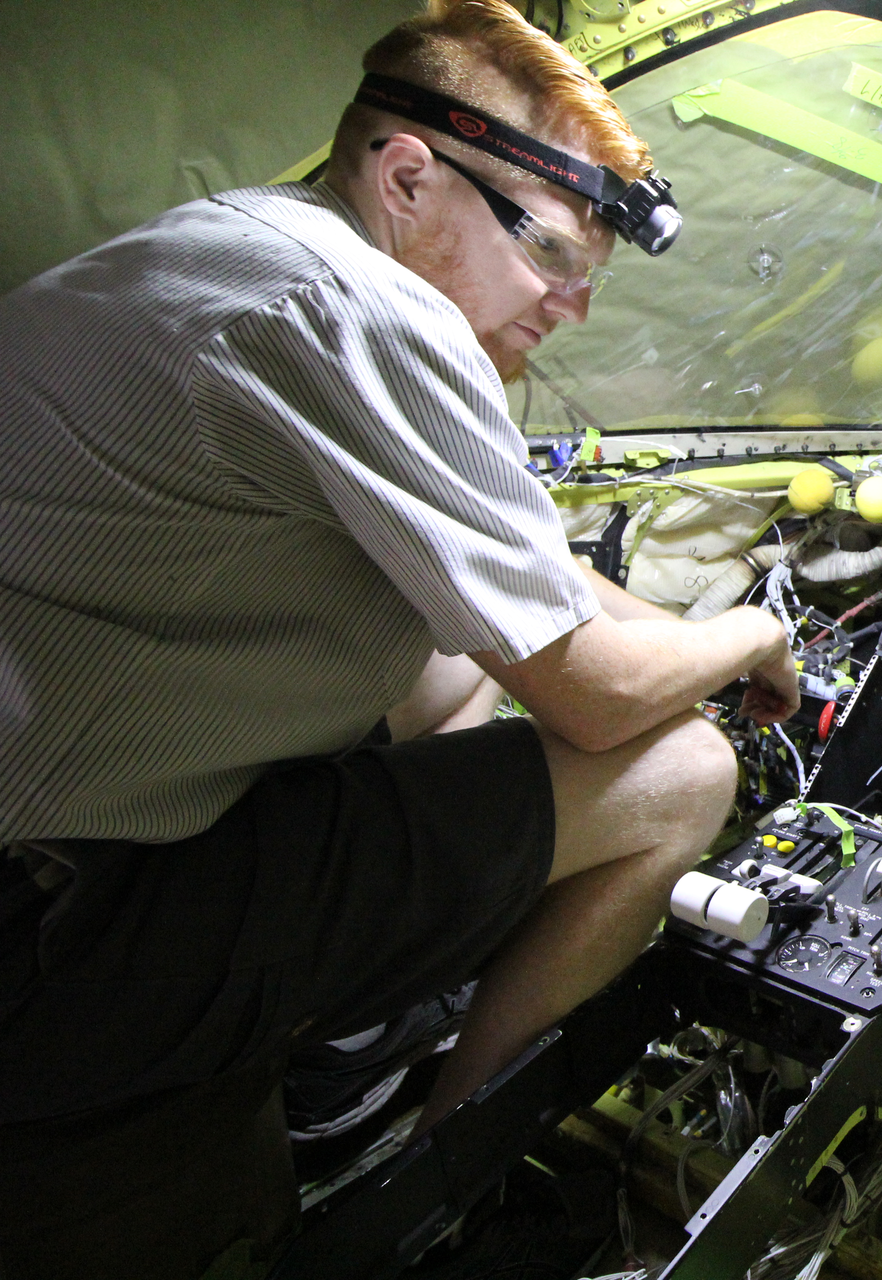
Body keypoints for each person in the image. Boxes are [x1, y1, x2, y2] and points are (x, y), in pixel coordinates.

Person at [0, 1, 798, 1274]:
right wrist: (754, 627)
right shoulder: (363, 309)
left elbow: (543, 592)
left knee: (445, 673)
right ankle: (434, 1174)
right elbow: (595, 697)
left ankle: (336, 1065)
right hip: (51, 933)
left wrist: (691, 638)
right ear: (413, 176)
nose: (572, 307)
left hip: (50, 824)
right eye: (554, 255)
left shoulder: (246, 250)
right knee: (684, 772)